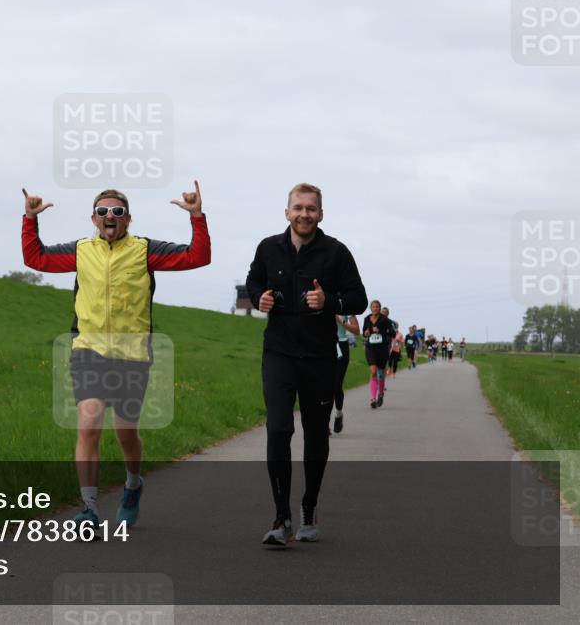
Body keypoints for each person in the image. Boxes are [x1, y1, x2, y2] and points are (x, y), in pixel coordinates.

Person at [21, 183, 210, 530]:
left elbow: (198, 257)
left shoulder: (146, 250)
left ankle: (133, 483)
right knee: (89, 421)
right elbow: (36, 258)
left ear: (128, 219)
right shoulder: (80, 251)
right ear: (94, 218)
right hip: (88, 350)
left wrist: (196, 216)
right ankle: (89, 510)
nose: (111, 216)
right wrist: (30, 219)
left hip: (132, 355)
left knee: (126, 433)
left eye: (118, 212)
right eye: (104, 211)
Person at [246, 183, 367, 545]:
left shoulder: (336, 253)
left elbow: (358, 299)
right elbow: (254, 281)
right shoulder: (269, 248)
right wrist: (259, 298)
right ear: (287, 212)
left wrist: (328, 300)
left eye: (311, 209)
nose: (304, 214)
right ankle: (281, 517)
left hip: (319, 358)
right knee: (279, 429)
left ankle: (309, 506)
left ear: (320, 214)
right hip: (279, 354)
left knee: (316, 434)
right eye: (298, 208)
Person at [363, 300, 394, 408]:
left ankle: (381, 393)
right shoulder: (367, 319)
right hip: (370, 348)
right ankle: (373, 398)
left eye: (377, 307)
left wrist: (381, 331)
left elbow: (392, 332)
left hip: (382, 349)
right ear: (370, 308)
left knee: (380, 374)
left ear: (379, 308)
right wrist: (366, 332)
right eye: (373, 307)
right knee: (373, 371)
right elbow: (364, 332)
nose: (375, 308)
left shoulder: (385, 319)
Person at [332, 314, 359, 434]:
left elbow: (357, 330)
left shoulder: (345, 303)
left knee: (336, 385)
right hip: (322, 345)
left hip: (341, 345)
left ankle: (338, 414)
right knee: (323, 386)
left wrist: (340, 321)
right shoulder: (317, 299)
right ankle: (323, 423)